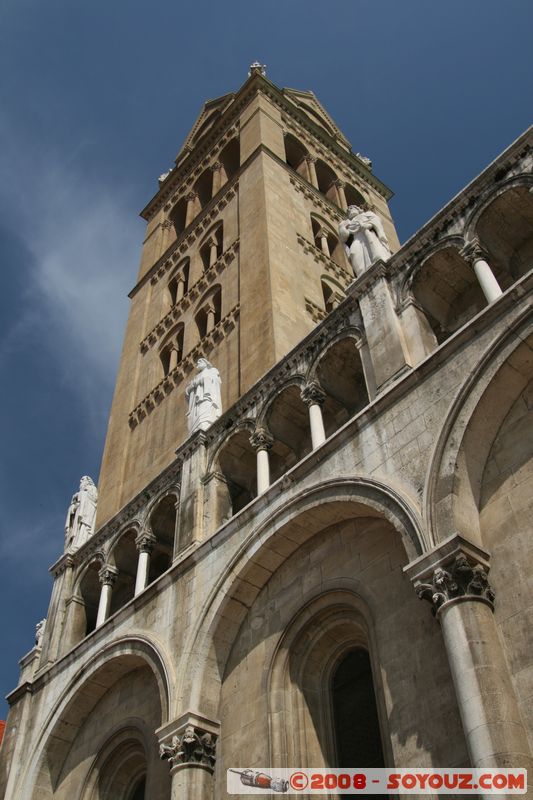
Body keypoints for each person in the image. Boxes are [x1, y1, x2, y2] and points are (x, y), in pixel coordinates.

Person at [338, 204, 391, 277]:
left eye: (353, 208)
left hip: (368, 235)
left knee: (373, 249)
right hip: (356, 239)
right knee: (353, 253)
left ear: (358, 209)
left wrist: (368, 225)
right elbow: (344, 237)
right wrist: (342, 227)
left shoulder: (367, 214)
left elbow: (377, 220)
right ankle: (361, 274)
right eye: (349, 210)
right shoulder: (348, 223)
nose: (350, 210)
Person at [185, 358, 222, 434]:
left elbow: (216, 381)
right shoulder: (196, 377)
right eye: (198, 362)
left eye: (200, 361)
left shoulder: (212, 371)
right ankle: (196, 429)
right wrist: (193, 385)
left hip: (206, 398)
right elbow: (187, 391)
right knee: (196, 417)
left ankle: (205, 425)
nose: (198, 362)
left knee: (205, 414)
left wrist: (202, 380)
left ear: (206, 363)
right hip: (195, 404)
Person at [64, 476, 98, 550]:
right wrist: (73, 507)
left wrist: (81, 494)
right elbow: (76, 503)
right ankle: (74, 544)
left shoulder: (92, 488)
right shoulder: (82, 491)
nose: (80, 481)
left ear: (88, 481)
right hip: (79, 514)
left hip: (87, 512)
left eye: (83, 479)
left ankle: (81, 543)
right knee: (77, 529)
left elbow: (94, 499)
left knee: (84, 527)